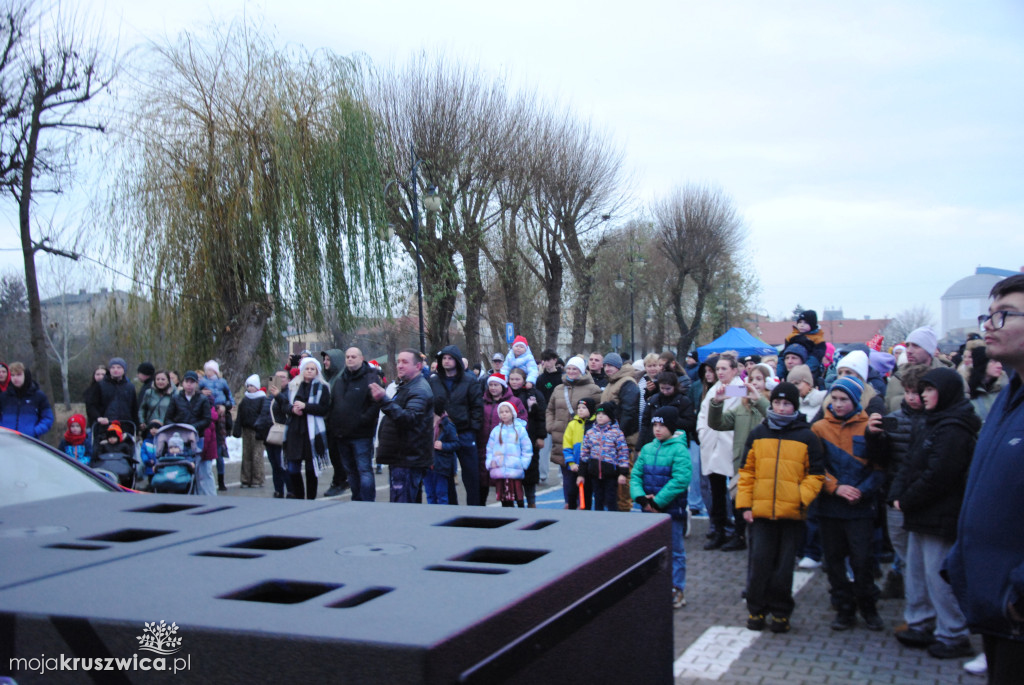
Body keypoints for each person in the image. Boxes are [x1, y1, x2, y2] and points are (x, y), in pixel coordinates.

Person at [946, 273, 1024, 684]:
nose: (988, 326)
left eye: (1004, 315)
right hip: (996, 603)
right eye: (988, 315)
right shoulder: (1007, 400)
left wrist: (1018, 591)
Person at [888, 367, 980, 659]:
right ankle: (922, 622)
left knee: (938, 576)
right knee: (916, 571)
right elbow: (912, 462)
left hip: (939, 514)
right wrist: (897, 494)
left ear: (946, 392)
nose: (923, 395)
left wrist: (908, 499)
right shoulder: (932, 421)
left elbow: (940, 474)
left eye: (929, 389)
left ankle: (953, 633)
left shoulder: (954, 427)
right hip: (921, 512)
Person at [736, 382, 825, 634]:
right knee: (759, 564)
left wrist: (799, 498)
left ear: (794, 406)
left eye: (787, 404)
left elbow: (816, 474)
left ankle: (781, 612)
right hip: (760, 513)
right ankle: (756, 609)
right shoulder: (758, 434)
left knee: (784, 569)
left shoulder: (807, 436)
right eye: (777, 403)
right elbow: (747, 472)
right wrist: (745, 505)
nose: (781, 408)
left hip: (791, 516)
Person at [812, 376, 886, 631]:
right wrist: (836, 487)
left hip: (860, 508)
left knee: (862, 560)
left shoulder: (870, 426)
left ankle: (868, 607)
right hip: (831, 507)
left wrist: (861, 491)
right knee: (833, 562)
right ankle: (844, 609)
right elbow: (814, 467)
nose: (839, 404)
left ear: (855, 401)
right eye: (834, 399)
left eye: (844, 399)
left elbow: (880, 467)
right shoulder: (820, 428)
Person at [631, 406, 691, 610]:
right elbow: (636, 475)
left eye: (662, 425)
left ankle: (676, 588)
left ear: (672, 427)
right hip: (649, 510)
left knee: (675, 551)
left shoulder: (680, 449)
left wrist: (658, 501)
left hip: (671, 510)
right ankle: (654, 586)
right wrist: (641, 498)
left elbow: (681, 479)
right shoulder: (648, 448)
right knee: (650, 549)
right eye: (655, 425)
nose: (657, 429)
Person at [707, 365, 771, 552]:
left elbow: (774, 418)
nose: (755, 383)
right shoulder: (741, 407)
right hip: (742, 464)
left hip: (765, 467)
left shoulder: (771, 404)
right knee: (741, 503)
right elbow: (717, 423)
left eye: (759, 379)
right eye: (751, 379)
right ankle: (740, 536)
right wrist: (717, 403)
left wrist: (759, 401)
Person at [370, 349, 434, 503]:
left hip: (407, 459)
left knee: (402, 506)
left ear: (418, 366)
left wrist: (383, 400)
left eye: (405, 362)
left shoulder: (418, 389)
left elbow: (409, 419)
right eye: (399, 362)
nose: (399, 366)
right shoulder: (407, 386)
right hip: (403, 457)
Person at [698, 354, 745, 549]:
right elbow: (703, 414)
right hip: (712, 445)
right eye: (718, 369)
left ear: (734, 370)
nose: (720, 372)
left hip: (731, 446)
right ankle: (719, 530)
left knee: (735, 492)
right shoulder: (713, 390)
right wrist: (703, 433)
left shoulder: (740, 389)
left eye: (724, 368)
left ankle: (738, 534)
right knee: (716, 491)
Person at [545, 356, 603, 509]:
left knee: (584, 475)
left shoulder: (593, 389)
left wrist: (590, 427)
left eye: (575, 369)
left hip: (583, 439)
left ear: (581, 371)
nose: (571, 371)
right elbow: (550, 409)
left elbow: (600, 412)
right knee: (567, 475)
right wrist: (551, 426)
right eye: (569, 368)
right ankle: (568, 503)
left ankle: (582, 504)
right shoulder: (558, 388)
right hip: (561, 437)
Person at [429, 345, 484, 505]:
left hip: (465, 432)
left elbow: (477, 406)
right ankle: (452, 507)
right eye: (444, 358)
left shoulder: (469, 380)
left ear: (457, 361)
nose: (446, 361)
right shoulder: (434, 380)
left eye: (450, 358)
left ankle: (474, 509)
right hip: (444, 433)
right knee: (445, 473)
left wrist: (473, 428)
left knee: (471, 473)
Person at [327, 347, 383, 502]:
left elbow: (375, 404)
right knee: (350, 471)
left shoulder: (370, 378)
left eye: (353, 356)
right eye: (347, 357)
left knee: (364, 470)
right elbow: (334, 403)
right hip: (341, 433)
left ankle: (367, 501)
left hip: (361, 434)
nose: (350, 359)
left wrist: (362, 420)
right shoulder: (340, 379)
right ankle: (356, 499)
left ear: (361, 358)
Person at [284, 358, 331, 500]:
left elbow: (324, 409)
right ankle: (298, 496)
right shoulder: (293, 385)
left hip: (312, 432)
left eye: (313, 369)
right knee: (293, 468)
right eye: (307, 368)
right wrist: (293, 409)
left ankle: (311, 498)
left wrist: (306, 407)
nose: (309, 371)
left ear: (317, 371)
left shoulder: (322, 387)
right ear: (302, 370)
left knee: (311, 469)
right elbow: (284, 405)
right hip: (294, 430)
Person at [600, 352, 641, 512]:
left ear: (618, 366)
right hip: (610, 439)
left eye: (610, 365)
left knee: (624, 477)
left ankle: (624, 508)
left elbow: (629, 412)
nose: (607, 368)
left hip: (624, 439)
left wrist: (618, 435)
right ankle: (616, 507)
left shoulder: (627, 383)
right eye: (605, 365)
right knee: (613, 478)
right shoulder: (612, 383)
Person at [477, 373, 527, 505]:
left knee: (506, 486)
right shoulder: (482, 401)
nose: (493, 388)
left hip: (507, 450)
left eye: (496, 385)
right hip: (485, 446)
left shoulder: (514, 401)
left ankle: (511, 509)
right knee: (482, 481)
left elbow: (523, 421)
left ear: (503, 386)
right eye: (491, 385)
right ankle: (480, 510)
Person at [164, 370, 214, 494]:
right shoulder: (176, 398)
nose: (189, 385)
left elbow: (207, 419)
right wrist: (177, 428)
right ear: (183, 383)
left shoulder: (202, 399)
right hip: (179, 439)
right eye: (187, 381)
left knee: (198, 469)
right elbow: (168, 418)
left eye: (192, 382)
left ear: (196, 384)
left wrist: (193, 427)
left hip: (197, 438)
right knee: (183, 466)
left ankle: (200, 493)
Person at [579, 401, 630, 511]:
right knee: (598, 499)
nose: (600, 417)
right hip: (595, 472)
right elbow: (584, 454)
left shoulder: (617, 433)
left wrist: (623, 473)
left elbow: (623, 454)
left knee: (611, 499)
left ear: (610, 417)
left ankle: (612, 522)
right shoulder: (590, 433)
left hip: (611, 473)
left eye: (604, 414)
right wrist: (581, 474)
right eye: (598, 414)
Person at [886, 326, 950, 412]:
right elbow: (887, 411)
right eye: (907, 345)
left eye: (916, 346)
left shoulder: (948, 377)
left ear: (929, 350)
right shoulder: (897, 378)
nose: (909, 351)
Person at [508, 367, 547, 507]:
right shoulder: (506, 394)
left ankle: (531, 501)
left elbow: (541, 417)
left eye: (517, 379)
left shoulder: (534, 395)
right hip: (510, 441)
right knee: (514, 473)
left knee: (530, 471)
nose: (514, 382)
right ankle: (518, 501)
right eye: (512, 379)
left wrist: (541, 436)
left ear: (524, 380)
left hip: (529, 437)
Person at [485, 400, 533, 508]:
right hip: (500, 470)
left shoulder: (520, 430)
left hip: (515, 469)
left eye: (507, 411)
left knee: (518, 497)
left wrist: (523, 463)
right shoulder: (496, 431)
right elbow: (490, 448)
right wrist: (490, 462)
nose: (504, 414)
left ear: (512, 414)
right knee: (504, 498)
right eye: (501, 412)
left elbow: (527, 448)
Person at [199, 360, 233, 492]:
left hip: (221, 417)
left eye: (210, 370)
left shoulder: (222, 382)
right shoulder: (202, 383)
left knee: (219, 448)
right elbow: (196, 394)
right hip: (208, 414)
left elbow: (230, 399)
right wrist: (201, 394)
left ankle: (221, 480)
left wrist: (226, 406)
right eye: (206, 370)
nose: (208, 372)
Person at [319, 348, 350, 497]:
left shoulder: (341, 379)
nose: (325, 362)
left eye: (328, 359)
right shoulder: (328, 378)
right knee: (334, 455)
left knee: (338, 456)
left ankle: (340, 480)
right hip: (329, 424)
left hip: (338, 425)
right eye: (324, 359)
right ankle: (339, 479)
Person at [0, 362, 54, 438]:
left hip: (29, 441)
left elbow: (48, 418)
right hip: (7, 440)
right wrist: (2, 430)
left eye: (19, 375)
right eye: (12, 375)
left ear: (26, 375)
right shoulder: (4, 396)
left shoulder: (38, 396)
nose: (15, 378)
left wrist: (35, 431)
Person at [233, 374, 266, 488]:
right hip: (246, 430)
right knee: (246, 455)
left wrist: (261, 428)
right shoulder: (245, 400)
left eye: (253, 386)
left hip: (257, 431)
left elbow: (264, 415)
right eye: (249, 386)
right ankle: (246, 478)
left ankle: (257, 479)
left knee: (257, 455)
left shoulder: (262, 399)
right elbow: (240, 416)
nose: (250, 388)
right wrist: (237, 430)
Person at [534, 349, 563, 485]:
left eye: (549, 360)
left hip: (561, 417)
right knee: (543, 449)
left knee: (562, 446)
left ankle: (563, 473)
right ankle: (542, 474)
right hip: (546, 416)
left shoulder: (562, 377)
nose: (547, 363)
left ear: (555, 360)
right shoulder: (540, 379)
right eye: (544, 360)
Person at [563, 397, 597, 508]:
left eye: (584, 408)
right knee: (572, 492)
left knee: (587, 493)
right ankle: (572, 510)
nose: (580, 410)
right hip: (575, 466)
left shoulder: (595, 424)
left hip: (589, 467)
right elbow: (567, 445)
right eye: (578, 408)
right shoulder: (572, 424)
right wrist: (571, 463)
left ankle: (586, 512)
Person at [86, 357, 138, 429]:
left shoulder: (130, 387)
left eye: (119, 367)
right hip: (105, 426)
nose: (115, 370)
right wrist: (98, 418)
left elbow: (134, 409)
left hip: (126, 425)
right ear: (109, 370)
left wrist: (137, 426)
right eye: (113, 367)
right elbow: (91, 406)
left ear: (124, 370)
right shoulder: (100, 385)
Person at [426, 397, 458, 505]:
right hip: (427, 464)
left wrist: (443, 445)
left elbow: (456, 443)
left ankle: (441, 516)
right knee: (430, 494)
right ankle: (431, 516)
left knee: (441, 494)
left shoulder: (447, 425)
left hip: (441, 465)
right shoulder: (426, 422)